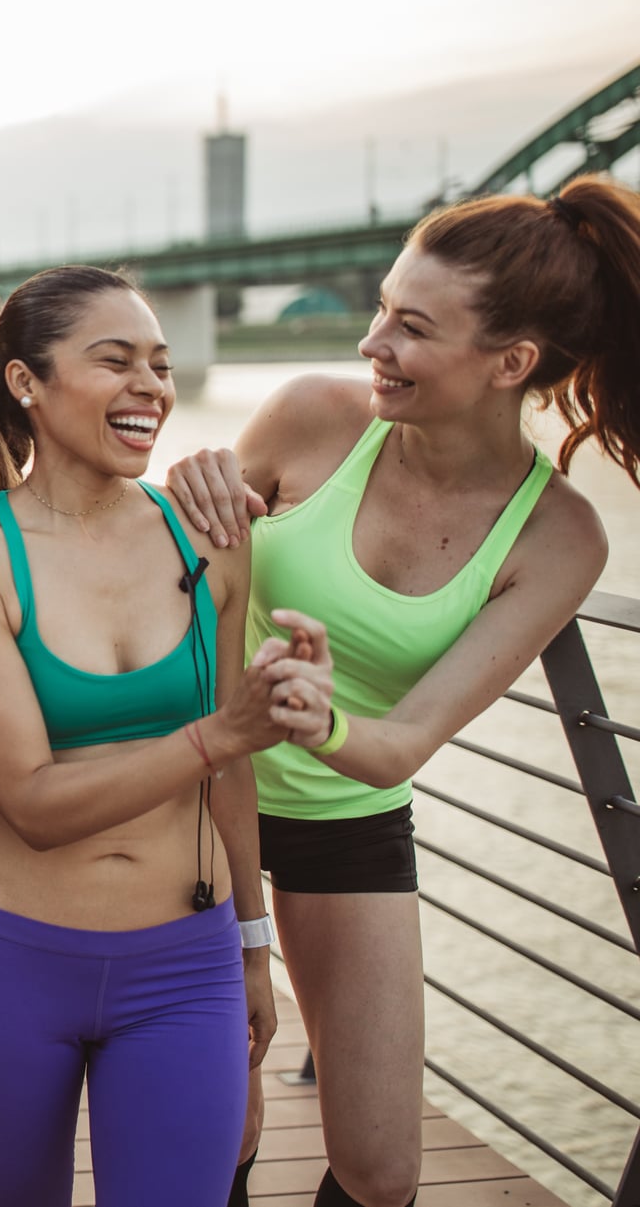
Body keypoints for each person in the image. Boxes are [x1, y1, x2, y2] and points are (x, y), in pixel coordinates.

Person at [164, 176, 636, 1207]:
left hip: (346, 811)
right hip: (196, 798)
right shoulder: (309, 415)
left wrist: (317, 712)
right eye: (379, 307)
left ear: (507, 362)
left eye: (409, 327)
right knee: (218, 1118)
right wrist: (184, 501)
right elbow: (166, 586)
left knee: (380, 1172)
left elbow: (399, 742)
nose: (371, 340)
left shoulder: (558, 538)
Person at [0, 266, 333, 1205]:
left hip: (188, 967)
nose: (151, 385)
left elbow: (235, 776)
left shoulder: (212, 535)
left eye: (161, 362)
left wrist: (253, 950)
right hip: (8, 967)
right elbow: (31, 800)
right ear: (27, 382)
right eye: (116, 361)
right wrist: (221, 733)